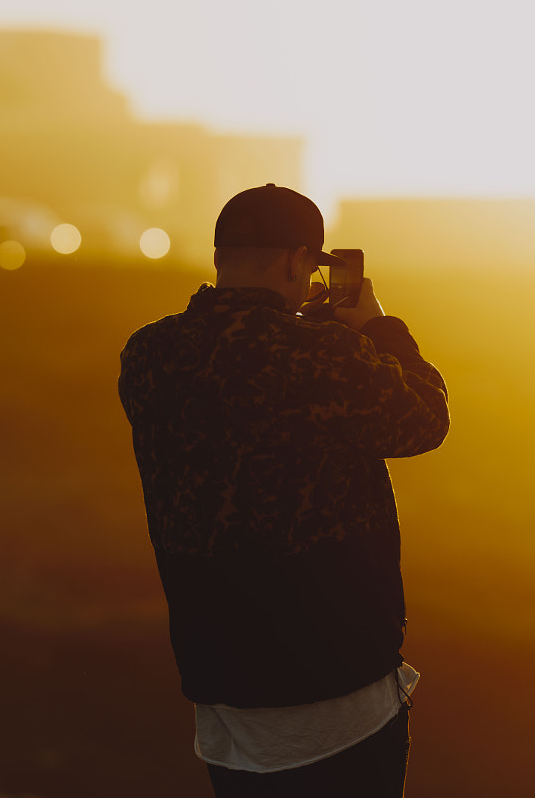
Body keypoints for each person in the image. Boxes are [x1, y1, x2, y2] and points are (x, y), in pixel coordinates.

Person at [118, 183, 449, 797]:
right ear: (300, 261)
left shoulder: (147, 355)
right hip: (335, 689)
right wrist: (378, 330)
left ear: (220, 255)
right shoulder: (328, 356)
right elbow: (426, 421)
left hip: (221, 691)